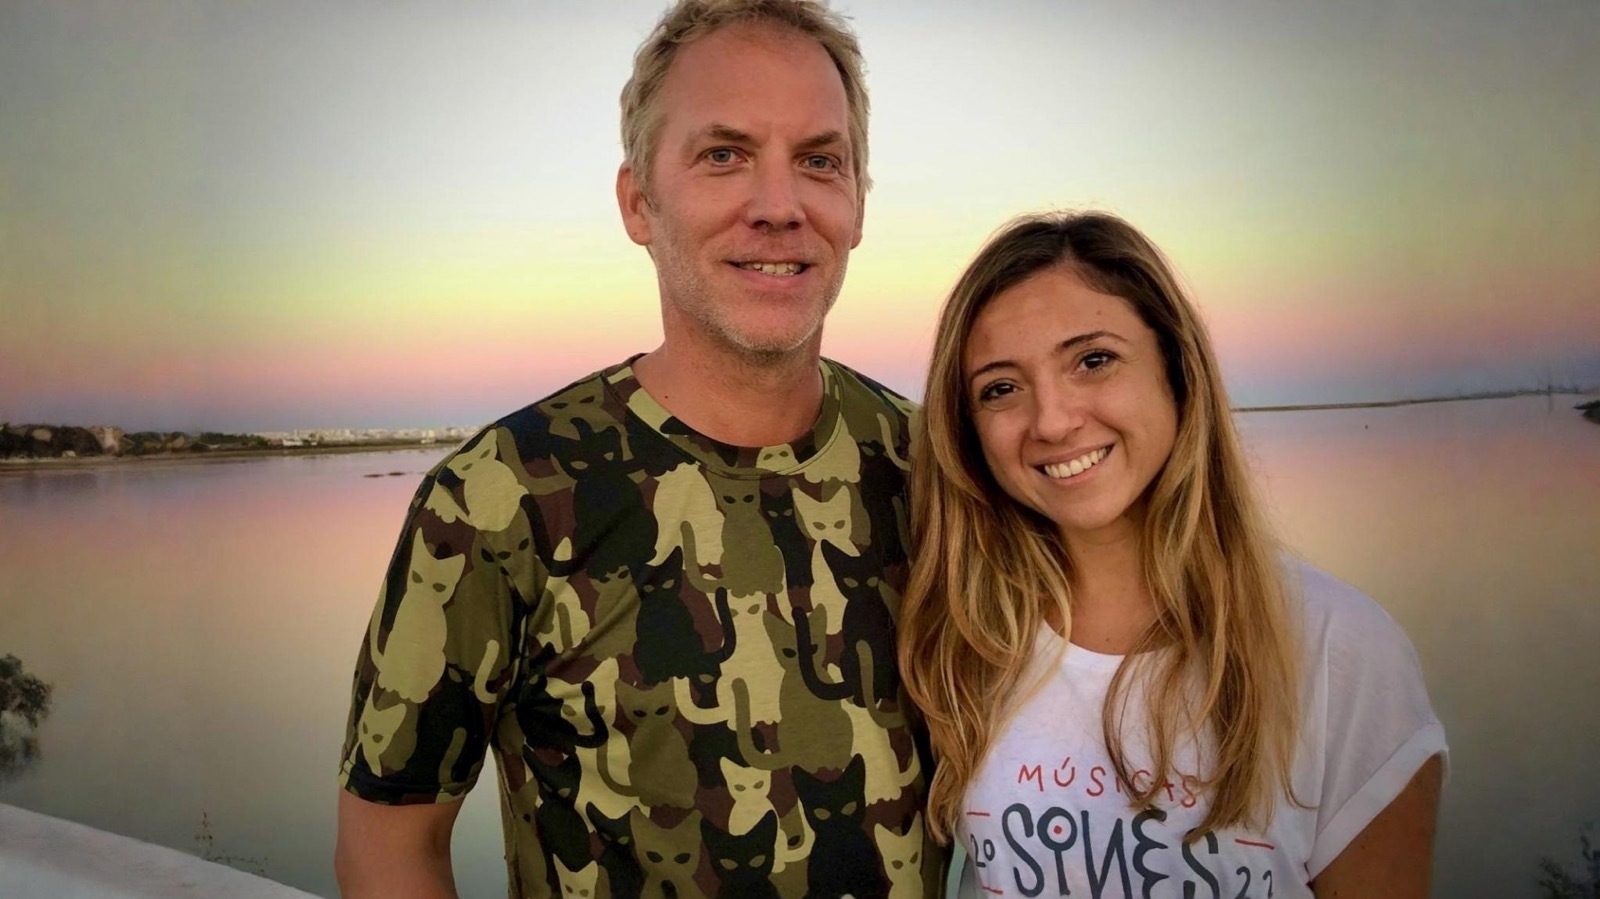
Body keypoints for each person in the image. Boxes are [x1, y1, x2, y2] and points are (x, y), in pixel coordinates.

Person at [334, 2, 941, 897]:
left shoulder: (937, 469)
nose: (779, 206)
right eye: (723, 155)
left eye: (819, 161)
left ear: (857, 207)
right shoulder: (501, 499)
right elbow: (390, 841)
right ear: (638, 203)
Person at [897, 211, 1447, 897]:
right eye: (1001, 388)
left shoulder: (1341, 651)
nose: (1053, 419)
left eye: (1093, 360)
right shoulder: (961, 643)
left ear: (1177, 371)